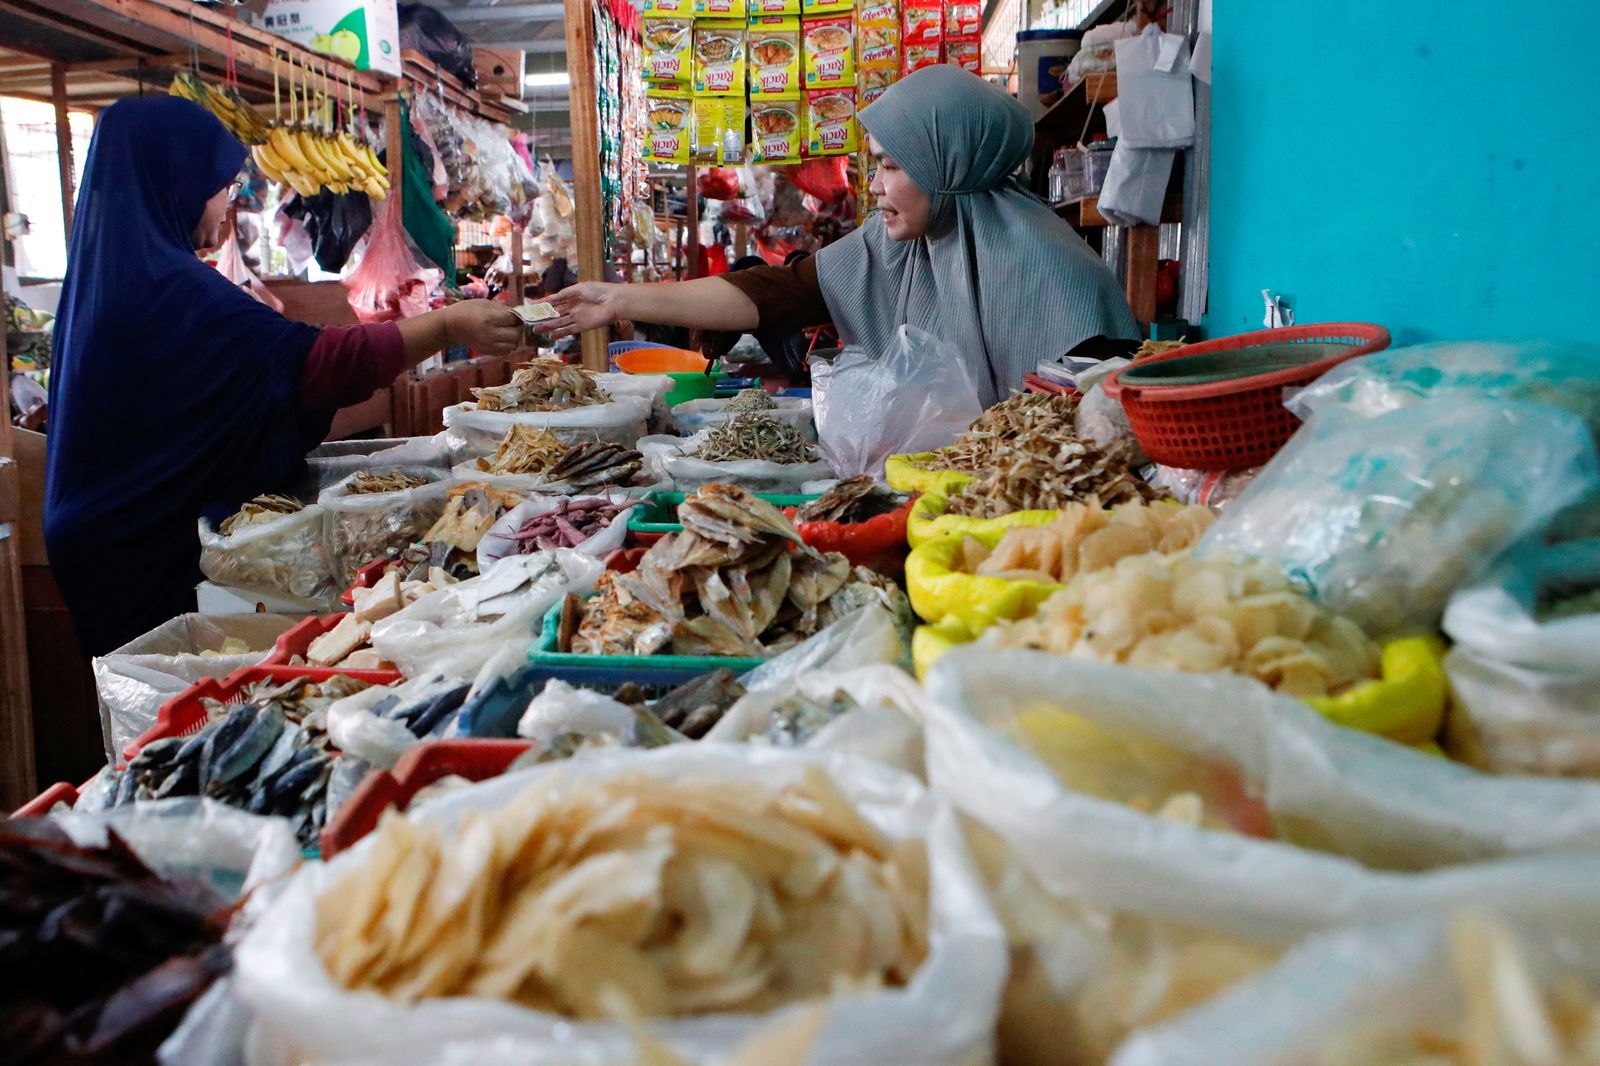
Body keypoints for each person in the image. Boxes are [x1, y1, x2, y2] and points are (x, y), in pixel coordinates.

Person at [44, 97, 523, 656]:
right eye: (220, 184)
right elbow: (312, 366)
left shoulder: (108, 276)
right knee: (165, 716)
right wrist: (444, 326)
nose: (228, 203)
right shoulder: (168, 288)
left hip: (101, 533)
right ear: (175, 181)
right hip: (137, 544)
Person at [547, 65, 1137, 405]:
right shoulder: (897, 245)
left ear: (948, 163)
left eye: (891, 165)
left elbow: (1089, 422)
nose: (874, 186)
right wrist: (618, 299)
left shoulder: (1056, 272)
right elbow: (775, 292)